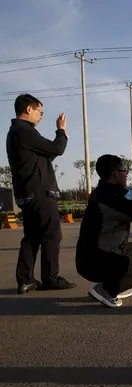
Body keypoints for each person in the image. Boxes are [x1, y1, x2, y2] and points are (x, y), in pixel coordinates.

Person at [5, 94, 75, 294]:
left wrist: (59, 142)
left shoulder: (16, 132)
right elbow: (57, 149)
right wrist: (61, 131)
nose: (41, 116)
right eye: (40, 112)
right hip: (40, 192)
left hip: (28, 192)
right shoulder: (24, 130)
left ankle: (26, 280)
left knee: (32, 237)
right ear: (28, 109)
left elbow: (47, 155)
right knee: (52, 234)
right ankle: (50, 278)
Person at [75, 155, 132, 308]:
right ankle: (106, 290)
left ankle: (112, 284)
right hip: (93, 263)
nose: (126, 174)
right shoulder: (110, 200)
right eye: (124, 170)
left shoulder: (105, 194)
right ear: (115, 174)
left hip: (88, 257)